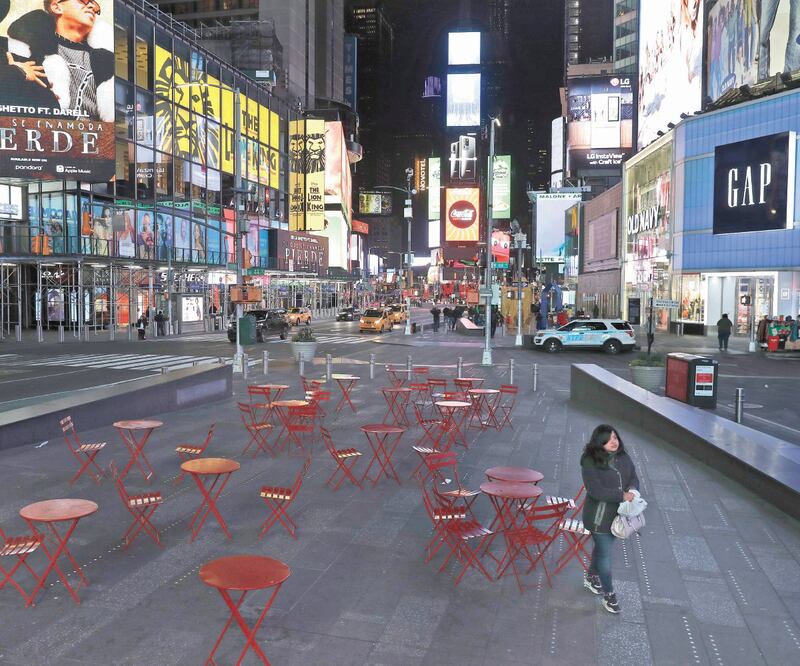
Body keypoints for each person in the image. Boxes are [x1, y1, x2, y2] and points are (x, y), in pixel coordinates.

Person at [8, 0, 114, 122]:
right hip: (43, 133)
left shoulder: (104, 60)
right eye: (83, 1)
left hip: (93, 137)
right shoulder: (30, 49)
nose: (91, 6)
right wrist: (14, 73)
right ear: (56, 7)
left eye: (94, 5)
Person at [581, 424, 639, 614]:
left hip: (618, 515)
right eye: (608, 439)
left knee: (601, 549)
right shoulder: (589, 461)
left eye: (615, 437)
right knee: (605, 555)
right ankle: (609, 595)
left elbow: (633, 477)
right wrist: (622, 495)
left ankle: (590, 577)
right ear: (599, 442)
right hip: (599, 517)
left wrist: (632, 489)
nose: (613, 442)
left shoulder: (622, 456)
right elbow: (595, 491)